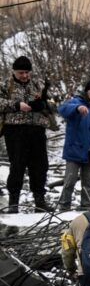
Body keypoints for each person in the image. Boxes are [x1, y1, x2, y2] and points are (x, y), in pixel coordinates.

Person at [1, 56, 54, 213]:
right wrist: (16, 105)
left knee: (40, 166)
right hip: (15, 131)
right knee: (17, 165)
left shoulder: (38, 84)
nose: (24, 75)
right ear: (14, 72)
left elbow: (53, 103)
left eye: (27, 72)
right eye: (21, 73)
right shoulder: (6, 85)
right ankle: (13, 203)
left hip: (37, 130)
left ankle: (39, 201)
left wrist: (43, 104)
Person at [57, 79, 90, 212]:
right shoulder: (75, 102)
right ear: (86, 91)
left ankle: (86, 207)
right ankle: (64, 207)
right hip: (75, 150)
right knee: (70, 181)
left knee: (89, 183)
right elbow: (62, 109)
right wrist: (77, 108)